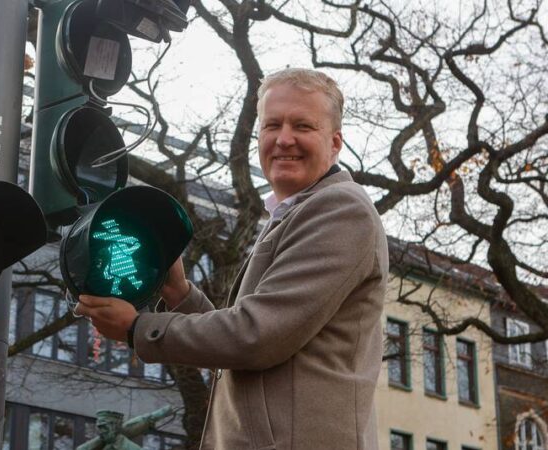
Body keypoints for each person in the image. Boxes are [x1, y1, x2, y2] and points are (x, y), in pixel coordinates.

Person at [76, 68, 389, 450]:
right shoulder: (297, 212)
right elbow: (249, 339)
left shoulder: (339, 210)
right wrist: (180, 294)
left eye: (303, 126)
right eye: (272, 125)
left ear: (335, 142)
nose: (284, 139)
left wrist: (137, 328)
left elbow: (256, 336)